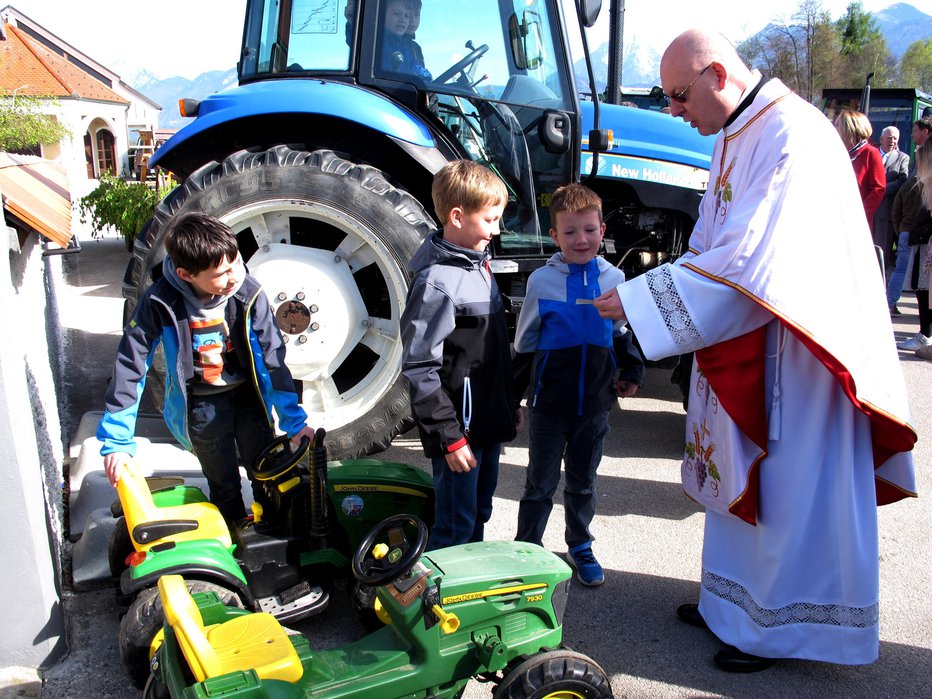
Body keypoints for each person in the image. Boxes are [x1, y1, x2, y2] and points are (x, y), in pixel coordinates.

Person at [594, 28, 916, 673]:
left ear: (718, 75)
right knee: (745, 470)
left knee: (788, 482)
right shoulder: (742, 129)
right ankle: (729, 605)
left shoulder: (789, 134)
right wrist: (661, 287)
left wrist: (645, 298)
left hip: (801, 349)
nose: (675, 111)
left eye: (680, 95)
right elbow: (715, 243)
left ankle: (777, 628)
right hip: (759, 332)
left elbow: (749, 261)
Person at [97, 212, 315, 523]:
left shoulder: (247, 292)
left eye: (235, 263)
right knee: (223, 485)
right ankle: (235, 543)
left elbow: (273, 359)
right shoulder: (160, 302)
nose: (233, 277)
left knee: (267, 472)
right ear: (186, 274)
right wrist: (117, 441)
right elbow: (131, 365)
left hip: (248, 399)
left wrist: (294, 422)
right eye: (221, 273)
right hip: (203, 407)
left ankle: (274, 536)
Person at [512, 183, 644, 587]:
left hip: (596, 406)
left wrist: (631, 371)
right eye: (570, 232)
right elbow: (525, 342)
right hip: (550, 405)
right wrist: (512, 397)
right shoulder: (541, 281)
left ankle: (580, 546)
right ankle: (526, 549)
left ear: (602, 230)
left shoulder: (615, 277)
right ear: (555, 236)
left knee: (583, 483)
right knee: (540, 483)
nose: (580, 240)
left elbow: (620, 331)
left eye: (589, 230)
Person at [400, 160, 519, 550]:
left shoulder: (479, 266)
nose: (497, 230)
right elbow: (420, 367)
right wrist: (449, 436)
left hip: (486, 423)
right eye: (490, 220)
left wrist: (508, 403)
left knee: (479, 513)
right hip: (458, 433)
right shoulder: (438, 281)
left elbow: (491, 351)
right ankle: (432, 605)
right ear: (457, 216)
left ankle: (469, 596)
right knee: (455, 525)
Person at [894, 145, 932, 352]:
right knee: (924, 290)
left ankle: (925, 335)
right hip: (924, 240)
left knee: (924, 290)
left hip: (927, 242)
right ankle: (925, 334)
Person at [834, 110, 885, 228]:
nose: (834, 128)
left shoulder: (870, 153)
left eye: (837, 125)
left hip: (855, 222)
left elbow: (878, 189)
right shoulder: (838, 152)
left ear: (850, 128)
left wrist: (859, 214)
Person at [874, 125, 910, 291]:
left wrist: (880, 189)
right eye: (889, 138)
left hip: (885, 214)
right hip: (868, 210)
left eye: (895, 138)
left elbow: (902, 180)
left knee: (882, 254)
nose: (892, 141)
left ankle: (881, 290)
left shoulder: (902, 158)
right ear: (881, 139)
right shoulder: (872, 153)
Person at [380, 0, 431, 81]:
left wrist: (426, 81)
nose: (403, 20)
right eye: (397, 13)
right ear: (382, 14)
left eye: (406, 15)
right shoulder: (377, 43)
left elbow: (416, 70)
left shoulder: (409, 48)